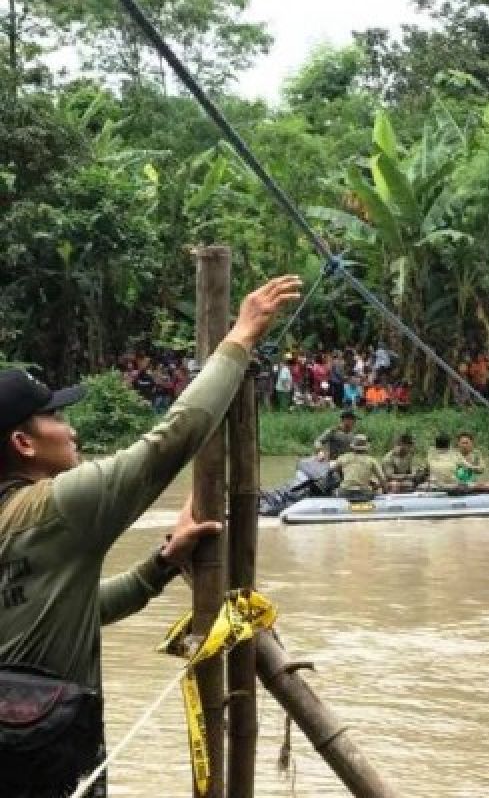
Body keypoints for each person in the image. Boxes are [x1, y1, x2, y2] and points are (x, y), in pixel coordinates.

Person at [0, 274, 302, 797]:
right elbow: (170, 441)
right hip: (44, 754)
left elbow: (71, 609)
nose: (70, 427)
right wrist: (239, 339)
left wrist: (160, 565)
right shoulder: (58, 505)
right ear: (24, 443)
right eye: (54, 415)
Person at [331, 434, 386, 501]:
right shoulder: (371, 460)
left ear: (352, 447)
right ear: (366, 448)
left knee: (334, 491)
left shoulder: (344, 457)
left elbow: (332, 471)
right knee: (377, 491)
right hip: (364, 493)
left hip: (345, 492)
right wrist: (379, 489)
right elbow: (383, 480)